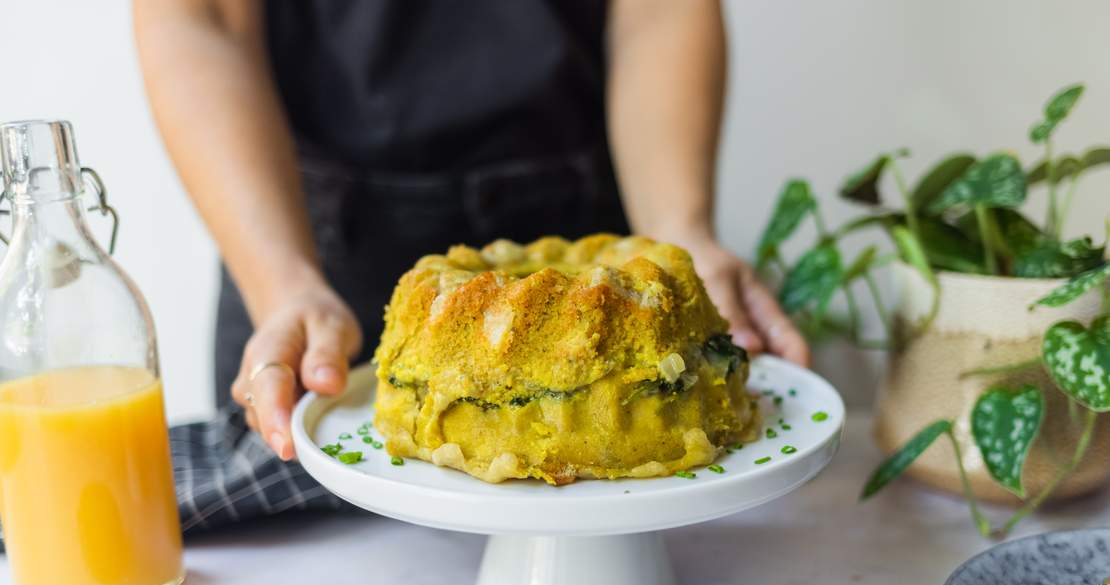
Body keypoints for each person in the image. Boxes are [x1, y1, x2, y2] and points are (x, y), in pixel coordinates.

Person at [134, 0, 809, 464]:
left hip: (604, 289)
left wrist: (679, 233)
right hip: (313, 255)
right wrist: (282, 282)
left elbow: (658, 11)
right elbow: (206, 17)